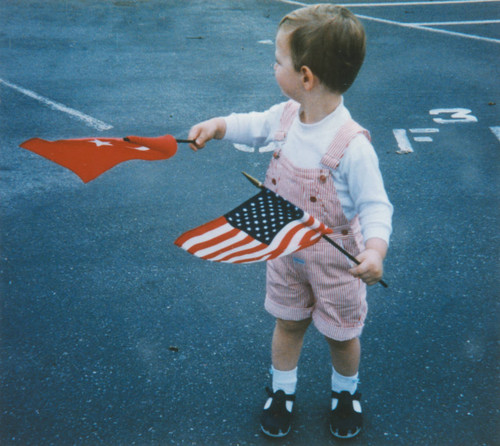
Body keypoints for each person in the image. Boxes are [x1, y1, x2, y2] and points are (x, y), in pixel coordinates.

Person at [187, 4, 393, 439]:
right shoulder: (286, 117)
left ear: (306, 76)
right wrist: (218, 125)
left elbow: (375, 206)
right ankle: (282, 390)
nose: (272, 66)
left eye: (278, 60)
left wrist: (375, 251)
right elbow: (252, 124)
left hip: (339, 262)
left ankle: (345, 392)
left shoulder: (351, 145)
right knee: (288, 322)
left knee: (341, 335)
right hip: (283, 250)